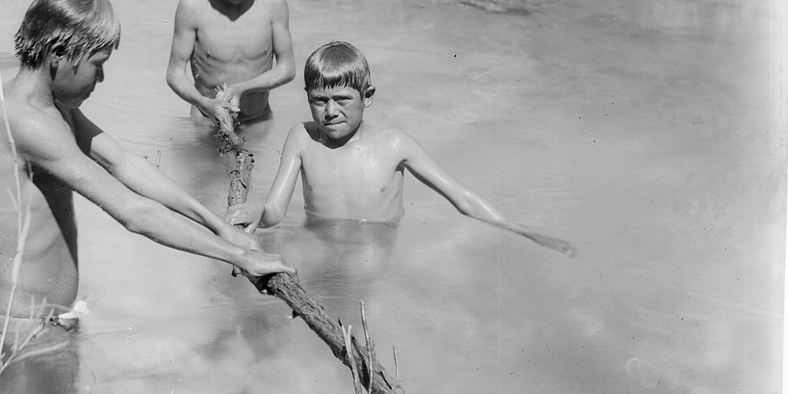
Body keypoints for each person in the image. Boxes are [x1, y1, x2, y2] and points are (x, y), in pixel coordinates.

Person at [0, 0, 296, 329]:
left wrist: (220, 228)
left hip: (41, 320)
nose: (102, 78)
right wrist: (240, 257)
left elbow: (124, 163)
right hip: (18, 327)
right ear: (59, 55)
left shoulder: (51, 108)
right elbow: (133, 212)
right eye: (97, 63)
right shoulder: (24, 121)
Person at [224, 41, 575, 256]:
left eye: (342, 100)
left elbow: (462, 198)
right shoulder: (302, 137)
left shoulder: (394, 144)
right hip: (320, 247)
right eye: (319, 101)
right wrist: (255, 211)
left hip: (375, 253)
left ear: (368, 97)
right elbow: (275, 210)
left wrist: (520, 230)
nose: (330, 112)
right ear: (308, 98)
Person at [166, 0, 295, 125]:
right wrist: (203, 103)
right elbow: (174, 73)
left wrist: (241, 89)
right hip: (206, 120)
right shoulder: (192, 6)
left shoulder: (274, 2)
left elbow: (287, 68)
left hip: (258, 120)